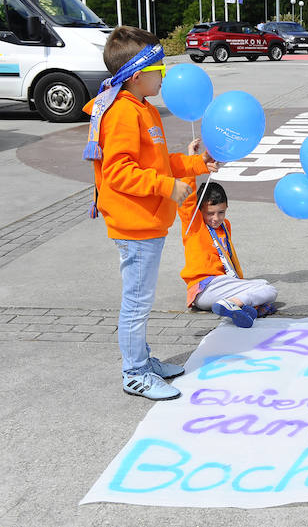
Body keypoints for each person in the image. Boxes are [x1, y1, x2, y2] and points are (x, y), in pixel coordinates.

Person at [81, 26, 218, 401]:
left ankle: (142, 360)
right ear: (137, 75)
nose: (165, 76)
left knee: (140, 300)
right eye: (160, 69)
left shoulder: (143, 109)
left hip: (148, 222)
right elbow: (118, 171)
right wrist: (167, 187)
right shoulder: (124, 114)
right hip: (135, 225)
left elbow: (157, 162)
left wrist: (196, 164)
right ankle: (134, 373)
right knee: (137, 303)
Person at [178, 179, 278, 328]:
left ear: (227, 208)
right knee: (270, 290)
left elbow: (229, 259)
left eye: (221, 212)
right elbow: (186, 198)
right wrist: (194, 164)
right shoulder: (194, 225)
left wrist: (239, 281)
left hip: (223, 284)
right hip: (205, 288)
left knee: (263, 284)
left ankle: (235, 306)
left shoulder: (225, 226)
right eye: (210, 213)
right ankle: (233, 303)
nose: (216, 218)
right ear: (198, 211)